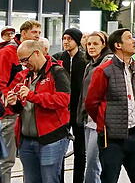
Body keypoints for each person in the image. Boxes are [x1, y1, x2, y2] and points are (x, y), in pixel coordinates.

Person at [84, 28, 135, 183]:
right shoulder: (103, 70)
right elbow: (91, 103)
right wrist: (104, 123)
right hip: (111, 140)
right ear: (118, 45)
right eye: (129, 38)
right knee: (109, 179)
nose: (134, 41)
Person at [8, 39, 71, 183]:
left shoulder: (57, 72)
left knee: (50, 179)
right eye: (21, 61)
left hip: (51, 139)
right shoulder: (26, 76)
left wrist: (32, 96)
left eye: (25, 60)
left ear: (36, 53)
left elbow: (63, 100)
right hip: (26, 140)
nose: (24, 64)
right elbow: (24, 107)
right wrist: (14, 103)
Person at [0, 20, 42, 183]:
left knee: (28, 159)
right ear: (24, 32)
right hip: (10, 113)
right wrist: (10, 103)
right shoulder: (7, 52)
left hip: (26, 112)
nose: (37, 36)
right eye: (34, 32)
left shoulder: (34, 52)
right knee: (7, 160)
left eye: (39, 33)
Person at [54, 28, 87, 183]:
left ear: (77, 41)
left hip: (79, 108)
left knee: (80, 149)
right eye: (64, 38)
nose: (66, 41)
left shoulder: (85, 59)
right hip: (62, 109)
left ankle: (78, 180)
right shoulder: (58, 58)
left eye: (69, 38)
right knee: (60, 147)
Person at [78, 32, 111, 183]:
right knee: (91, 161)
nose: (91, 47)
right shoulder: (89, 64)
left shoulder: (107, 63)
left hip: (100, 119)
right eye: (89, 44)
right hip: (88, 118)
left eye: (95, 44)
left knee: (92, 162)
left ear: (104, 45)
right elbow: (83, 93)